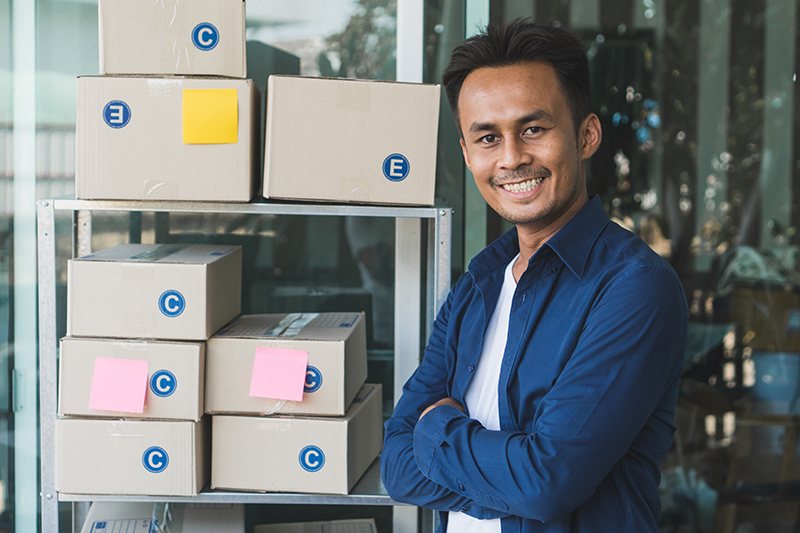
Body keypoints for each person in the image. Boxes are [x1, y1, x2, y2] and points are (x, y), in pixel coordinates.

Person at [381, 19, 688, 533]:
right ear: (466, 153)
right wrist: (507, 471)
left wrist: (435, 429)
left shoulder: (634, 288)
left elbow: (547, 483)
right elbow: (396, 466)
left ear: (586, 134)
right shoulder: (477, 283)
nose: (511, 159)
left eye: (533, 129)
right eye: (487, 137)